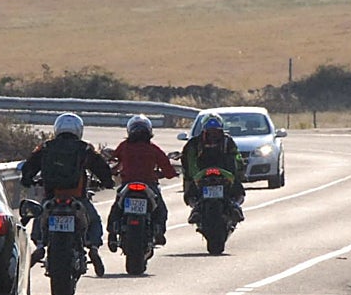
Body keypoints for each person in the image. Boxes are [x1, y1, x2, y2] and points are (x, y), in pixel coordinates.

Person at [20, 112, 114, 275]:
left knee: (40, 216)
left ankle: (40, 246)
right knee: (94, 221)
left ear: (57, 129)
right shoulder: (85, 148)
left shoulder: (46, 147)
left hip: (52, 198)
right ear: (79, 130)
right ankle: (93, 248)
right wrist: (107, 182)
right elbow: (101, 167)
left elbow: (29, 165)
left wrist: (27, 179)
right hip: (77, 198)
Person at [106, 114, 178, 250]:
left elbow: (114, 162)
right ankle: (159, 231)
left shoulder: (124, 146)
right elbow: (168, 169)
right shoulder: (153, 148)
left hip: (128, 184)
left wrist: (112, 171)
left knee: (116, 208)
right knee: (161, 209)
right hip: (148, 184)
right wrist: (170, 174)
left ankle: (112, 233)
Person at [182, 114, 246, 223]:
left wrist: (239, 170)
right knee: (190, 192)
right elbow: (189, 160)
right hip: (201, 175)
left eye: (215, 131)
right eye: (210, 131)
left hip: (224, 174)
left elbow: (236, 157)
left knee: (238, 190)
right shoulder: (194, 143)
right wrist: (192, 176)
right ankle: (196, 208)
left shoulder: (227, 141)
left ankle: (235, 206)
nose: (213, 135)